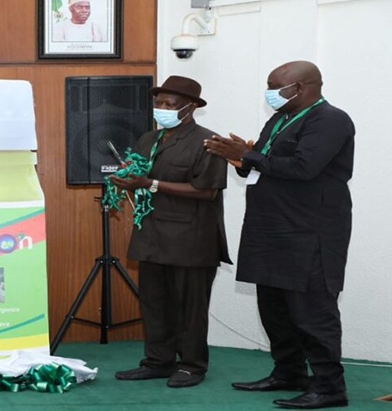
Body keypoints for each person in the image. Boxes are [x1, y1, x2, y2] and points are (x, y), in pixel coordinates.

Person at [205, 61, 354, 409]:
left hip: (309, 232)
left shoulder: (330, 119)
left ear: (301, 87)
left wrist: (250, 156)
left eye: (275, 86)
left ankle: (330, 388)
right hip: (270, 229)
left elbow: (304, 167)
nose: (270, 92)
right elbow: (267, 161)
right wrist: (243, 157)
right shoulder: (282, 118)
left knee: (312, 312)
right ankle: (289, 372)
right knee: (275, 309)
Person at [110, 75, 231, 388]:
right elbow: (140, 177)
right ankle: (158, 361)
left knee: (190, 308)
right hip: (151, 235)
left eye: (170, 104)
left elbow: (206, 192)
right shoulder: (149, 140)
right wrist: (127, 177)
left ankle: (192, 366)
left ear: (190, 108)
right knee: (154, 302)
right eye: (159, 102)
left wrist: (149, 183)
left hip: (191, 240)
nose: (161, 108)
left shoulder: (209, 142)